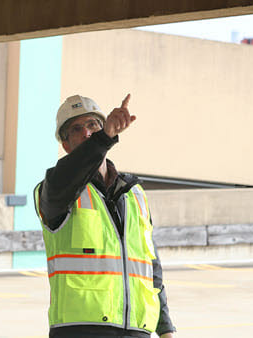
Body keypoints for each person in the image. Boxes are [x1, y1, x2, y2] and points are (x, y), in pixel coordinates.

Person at [34, 94, 175, 338]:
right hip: (80, 329)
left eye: (92, 125)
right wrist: (104, 137)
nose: (87, 133)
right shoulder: (55, 189)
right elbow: (64, 176)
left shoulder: (135, 194)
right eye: (76, 129)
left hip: (136, 329)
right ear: (66, 145)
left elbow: (150, 265)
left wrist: (165, 329)